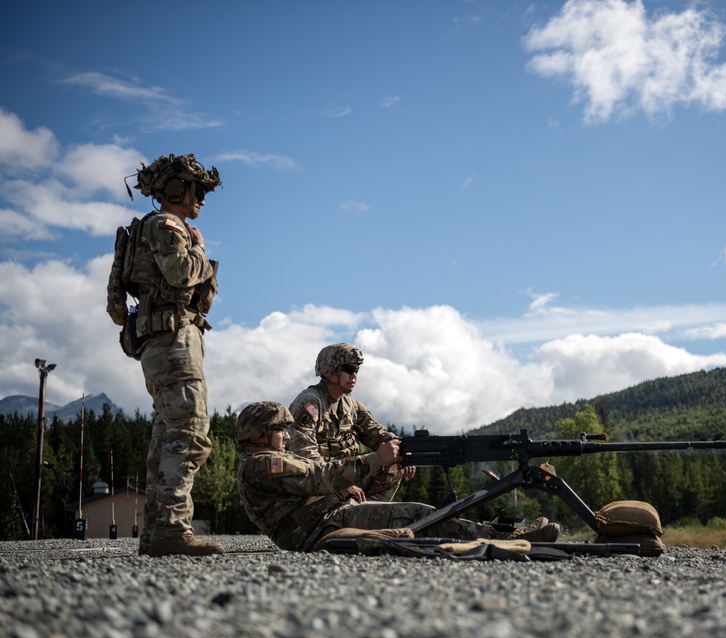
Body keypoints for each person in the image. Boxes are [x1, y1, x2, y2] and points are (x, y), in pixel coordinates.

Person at [236, 401, 560, 552]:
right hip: (319, 528)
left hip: (325, 519)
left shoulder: (264, 460)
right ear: (260, 434)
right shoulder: (263, 464)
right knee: (417, 514)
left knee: (416, 517)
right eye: (280, 430)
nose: (287, 437)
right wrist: (375, 459)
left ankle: (499, 534)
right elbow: (317, 476)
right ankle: (505, 540)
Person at [128, 154, 223, 557]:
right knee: (188, 429)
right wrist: (200, 250)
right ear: (173, 190)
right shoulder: (167, 225)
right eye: (195, 189)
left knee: (168, 433)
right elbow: (182, 273)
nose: (200, 197)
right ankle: (171, 528)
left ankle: (155, 531)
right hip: (172, 341)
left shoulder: (159, 226)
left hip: (165, 340)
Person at [286, 343, 413, 503]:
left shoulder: (352, 406)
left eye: (357, 370)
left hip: (346, 478)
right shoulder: (309, 404)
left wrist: (404, 451)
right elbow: (303, 456)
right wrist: (338, 484)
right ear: (329, 370)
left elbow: (378, 435)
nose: (354, 376)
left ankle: (367, 516)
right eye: (348, 369)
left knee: (393, 461)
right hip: (318, 486)